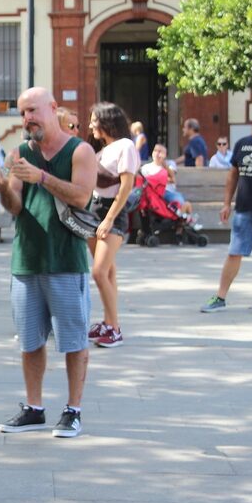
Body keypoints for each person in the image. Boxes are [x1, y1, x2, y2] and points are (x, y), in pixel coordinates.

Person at [0, 87, 96, 438]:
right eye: (22, 113)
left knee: (73, 340)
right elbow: (16, 207)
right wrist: (3, 188)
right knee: (30, 340)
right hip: (27, 260)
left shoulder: (80, 150)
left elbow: (82, 197)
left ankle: (73, 410)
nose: (27, 119)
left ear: (52, 108)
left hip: (66, 259)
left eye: (32, 111)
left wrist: (43, 178)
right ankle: (34, 408)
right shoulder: (20, 153)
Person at [200, 104, 252, 314]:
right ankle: (220, 297)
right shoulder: (242, 144)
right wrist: (226, 203)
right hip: (244, 210)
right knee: (234, 253)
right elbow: (232, 176)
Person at [86, 102, 139, 348]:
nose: (90, 125)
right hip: (94, 211)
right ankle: (108, 322)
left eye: (94, 120)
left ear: (107, 121)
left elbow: (127, 186)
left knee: (98, 272)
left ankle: (114, 327)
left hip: (112, 213)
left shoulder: (125, 146)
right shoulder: (102, 149)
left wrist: (108, 219)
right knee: (107, 271)